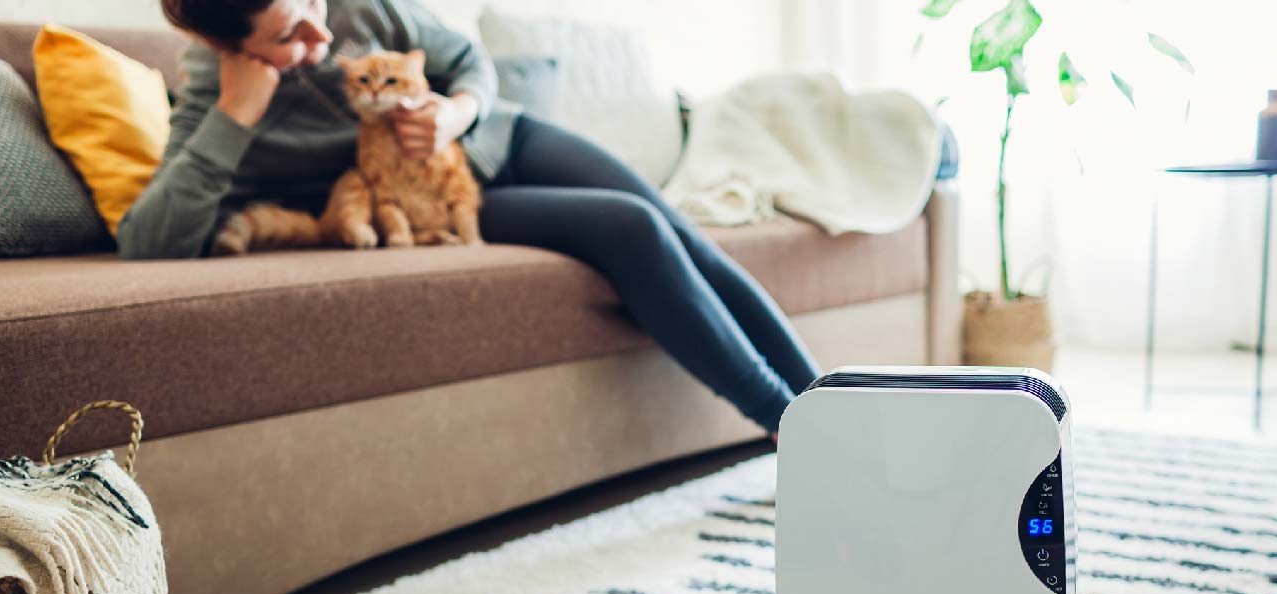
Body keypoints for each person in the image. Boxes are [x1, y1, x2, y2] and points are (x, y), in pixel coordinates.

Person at [124, 0, 819, 438]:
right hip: (447, 203)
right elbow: (149, 242)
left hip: (502, 138)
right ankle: (789, 429)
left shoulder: (361, 9)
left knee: (682, 231)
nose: (321, 27)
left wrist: (455, 111)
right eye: (289, 31)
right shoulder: (218, 93)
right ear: (231, 50)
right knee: (632, 225)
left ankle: (832, 405)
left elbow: (467, 61)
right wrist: (234, 116)